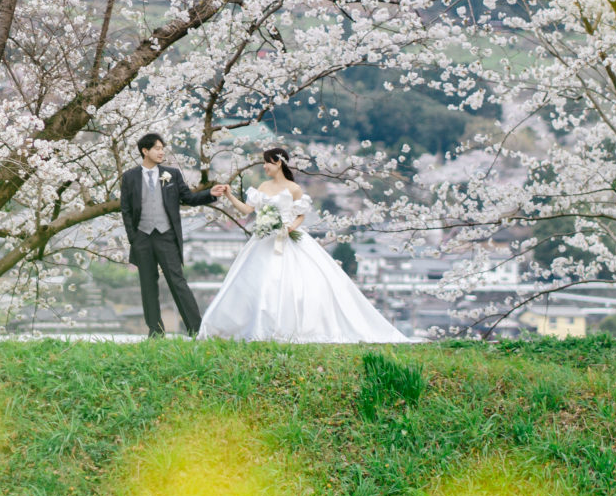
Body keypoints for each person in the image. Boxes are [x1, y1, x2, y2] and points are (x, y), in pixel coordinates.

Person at [202, 147, 408, 343]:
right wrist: (228, 195)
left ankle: (290, 327)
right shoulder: (263, 187)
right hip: (264, 239)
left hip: (287, 237)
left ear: (278, 163)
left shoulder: (294, 189)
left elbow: (301, 215)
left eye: (267, 163)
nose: (264, 167)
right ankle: (254, 326)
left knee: (292, 283)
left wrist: (289, 227)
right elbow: (247, 210)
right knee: (258, 282)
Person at [119, 133, 217, 337]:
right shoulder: (129, 177)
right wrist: (134, 239)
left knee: (177, 282)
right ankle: (156, 332)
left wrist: (210, 194)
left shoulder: (172, 174)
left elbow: (188, 198)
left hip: (166, 236)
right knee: (148, 285)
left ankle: (196, 330)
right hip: (142, 238)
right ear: (145, 151)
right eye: (157, 148)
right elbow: (126, 210)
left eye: (162, 148)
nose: (161, 151)